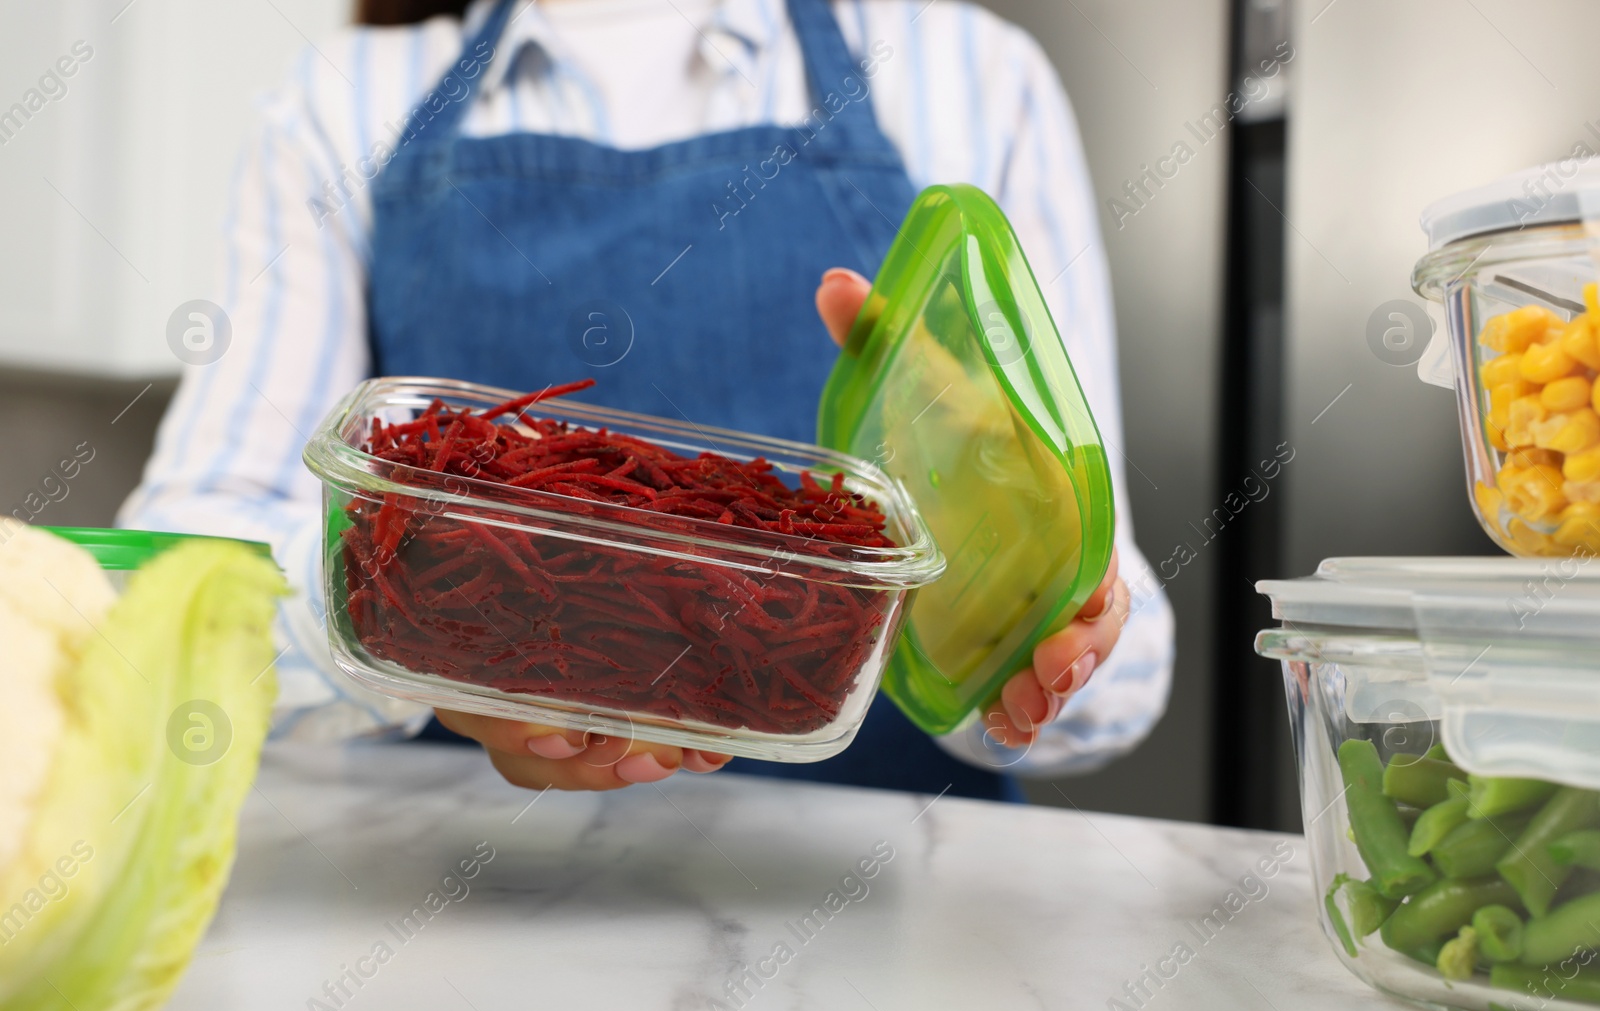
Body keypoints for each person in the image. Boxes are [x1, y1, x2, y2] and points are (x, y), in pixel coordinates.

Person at [120, 0, 1174, 801]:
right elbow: (174, 583)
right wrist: (409, 634)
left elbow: (1119, 683)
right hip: (456, 906)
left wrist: (1005, 568)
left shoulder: (972, 77)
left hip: (876, 935)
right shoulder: (343, 101)